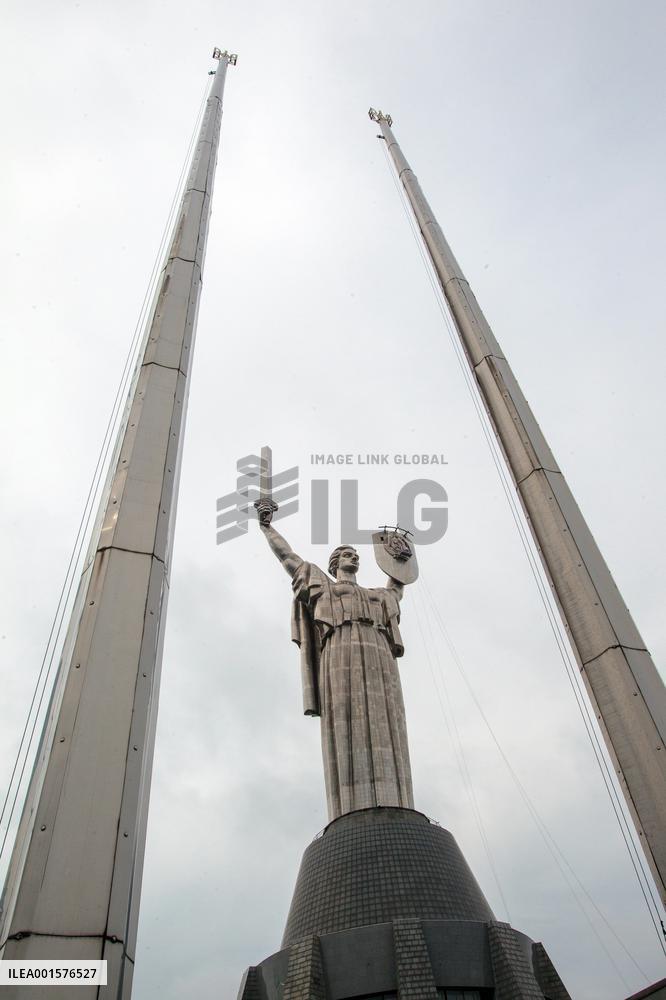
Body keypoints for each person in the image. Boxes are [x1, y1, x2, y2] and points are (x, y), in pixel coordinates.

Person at [257, 501, 414, 821]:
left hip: (378, 654)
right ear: (333, 564)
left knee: (386, 719)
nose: (354, 557)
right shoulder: (323, 588)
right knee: (345, 719)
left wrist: (400, 555)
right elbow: (289, 559)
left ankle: (395, 800)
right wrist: (267, 527)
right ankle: (351, 807)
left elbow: (397, 585)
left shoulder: (377, 597)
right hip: (339, 651)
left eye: (355, 554)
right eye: (346, 554)